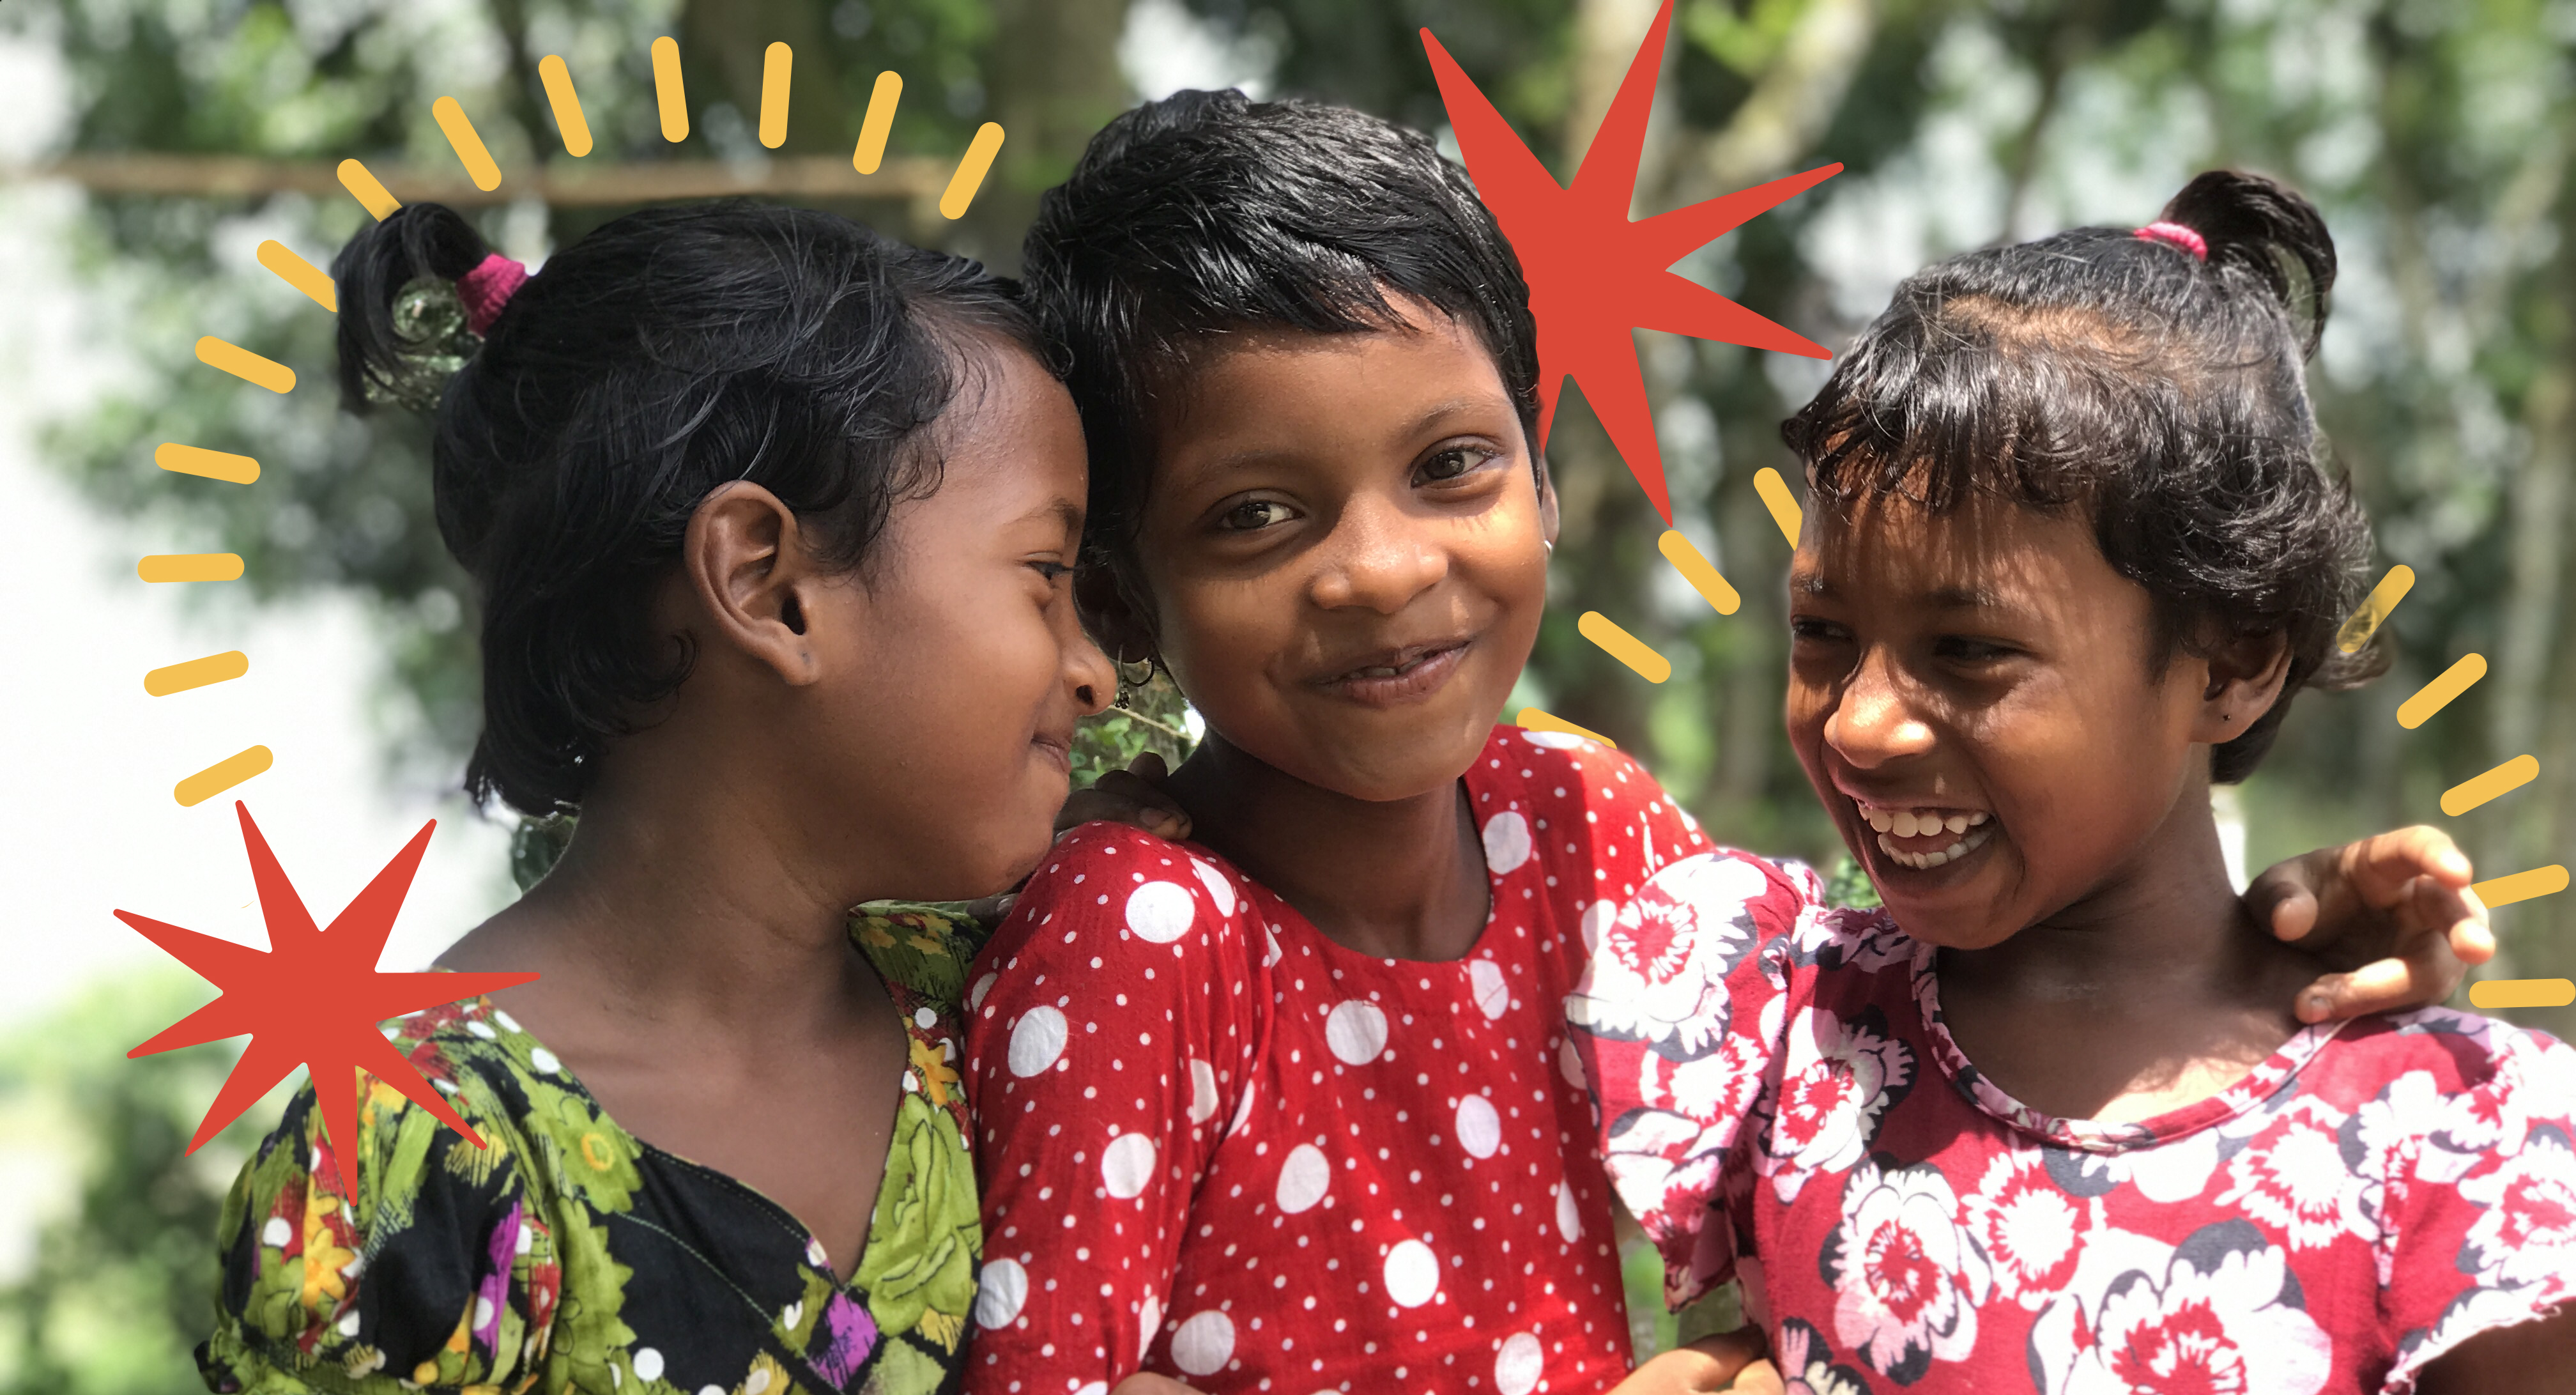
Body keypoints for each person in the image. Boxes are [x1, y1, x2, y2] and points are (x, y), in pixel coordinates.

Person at [961, 94, 2490, 1395]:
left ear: (1542, 481)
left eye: (1450, 465)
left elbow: (1920, 991)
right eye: (1254, 516)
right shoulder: (1140, 931)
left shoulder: (1583, 827)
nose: (1381, 568)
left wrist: (2252, 966)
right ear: (1120, 595)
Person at [1568, 171, 2572, 1393]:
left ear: (2233, 665)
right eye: (1822, 632)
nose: (1866, 724)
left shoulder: (2447, 1141)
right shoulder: (1785, 1032)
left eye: (1973, 652)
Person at [199, 200, 1116, 1394]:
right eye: (1046, 578)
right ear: (767, 586)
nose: (1094, 670)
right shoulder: (403, 1173)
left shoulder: (1018, 1004)